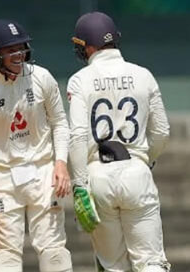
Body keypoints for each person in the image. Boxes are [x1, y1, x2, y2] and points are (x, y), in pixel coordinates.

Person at [0, 19, 73, 272]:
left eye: (21, 48)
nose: (19, 55)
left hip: (43, 173)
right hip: (2, 177)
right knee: (6, 256)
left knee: (54, 251)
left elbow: (60, 123)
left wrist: (61, 163)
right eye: (10, 50)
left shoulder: (42, 77)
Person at [67, 11, 171, 272]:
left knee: (112, 266)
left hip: (98, 175)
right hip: (136, 169)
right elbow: (161, 132)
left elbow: (78, 136)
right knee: (151, 261)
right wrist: (147, 161)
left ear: (88, 46)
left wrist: (79, 185)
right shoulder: (143, 75)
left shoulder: (80, 80)